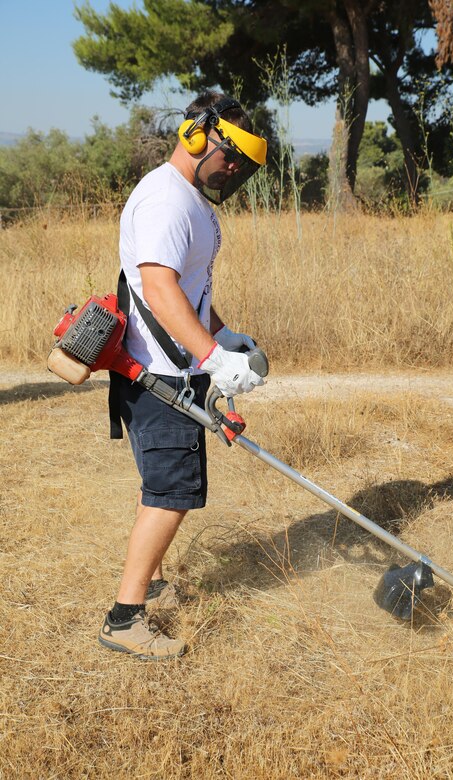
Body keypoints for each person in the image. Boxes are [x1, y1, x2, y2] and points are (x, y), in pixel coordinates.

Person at [98, 92, 268, 660]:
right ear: (197, 137)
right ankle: (125, 618)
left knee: (165, 483)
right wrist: (214, 361)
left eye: (243, 165)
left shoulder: (190, 200)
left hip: (173, 368)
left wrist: (220, 337)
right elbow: (161, 288)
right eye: (231, 157)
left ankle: (153, 578)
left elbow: (190, 293)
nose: (235, 170)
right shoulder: (166, 200)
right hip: (157, 376)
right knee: (169, 493)